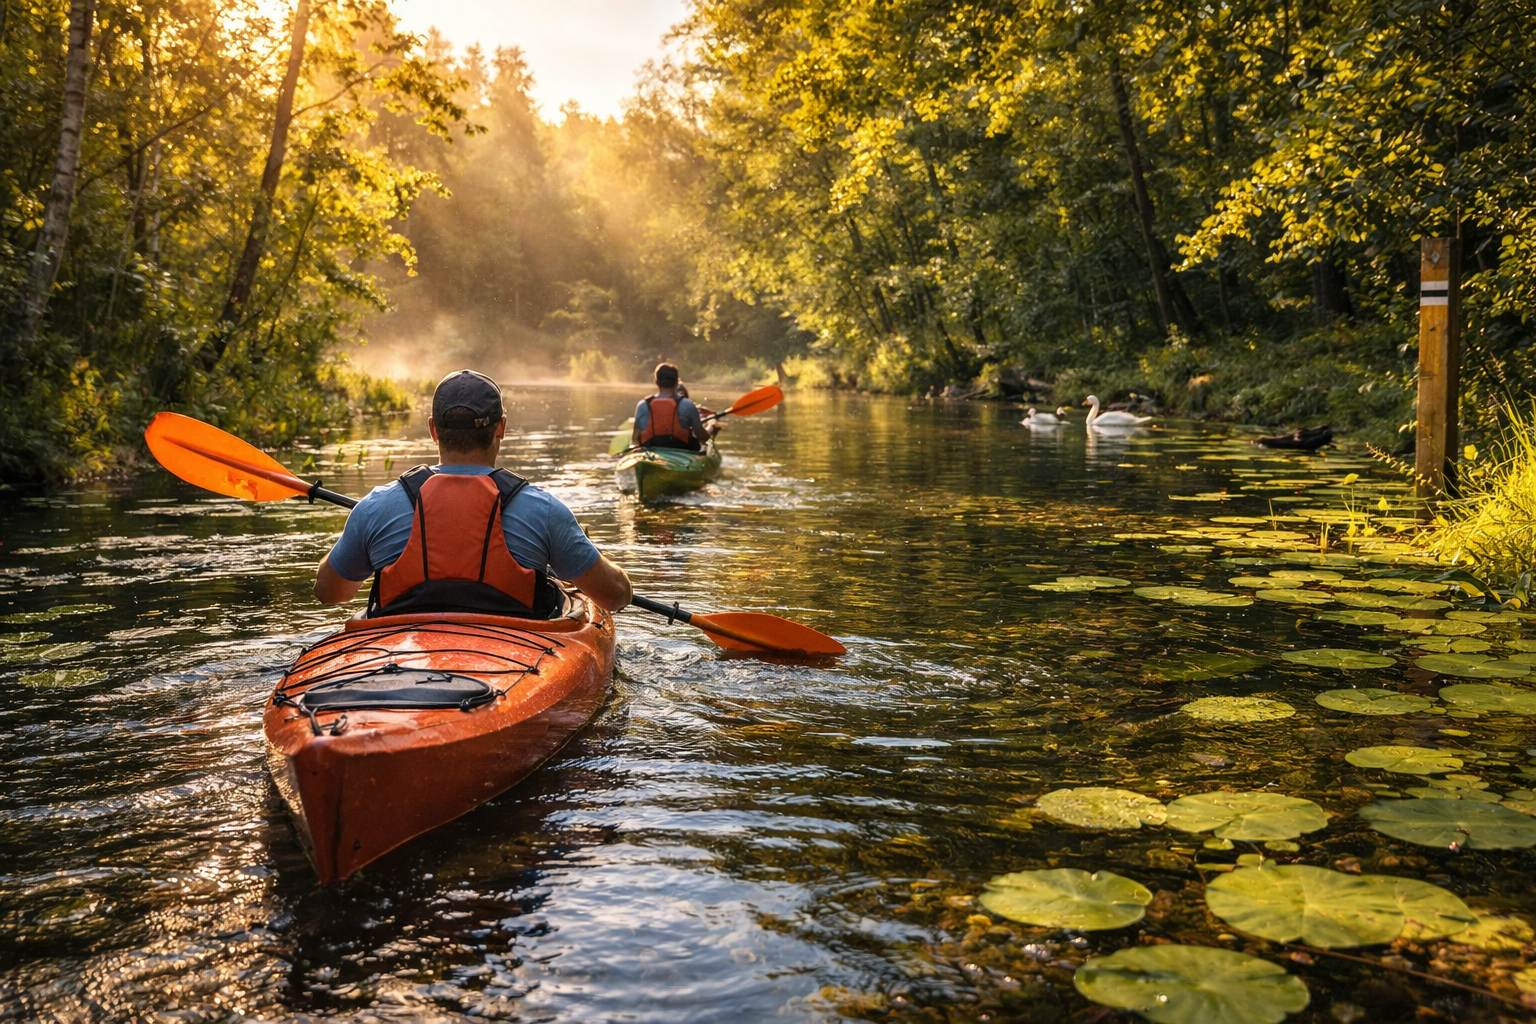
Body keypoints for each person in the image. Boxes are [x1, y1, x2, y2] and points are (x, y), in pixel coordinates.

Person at [315, 369, 632, 617]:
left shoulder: (376, 506)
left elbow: (329, 592)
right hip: (513, 668)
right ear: (501, 429)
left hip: (399, 661)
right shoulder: (544, 511)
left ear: (433, 430)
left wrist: (365, 530)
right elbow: (615, 596)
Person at [631, 363, 718, 451]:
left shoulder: (642, 405)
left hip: (650, 453)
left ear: (656, 382)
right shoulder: (688, 405)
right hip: (682, 452)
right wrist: (711, 426)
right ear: (677, 382)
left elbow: (635, 440)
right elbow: (703, 437)